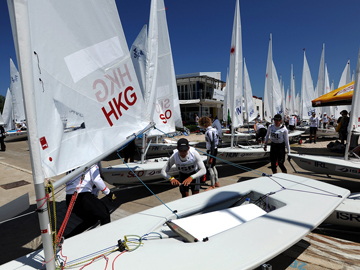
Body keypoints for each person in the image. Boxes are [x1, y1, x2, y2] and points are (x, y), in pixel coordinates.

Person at [65, 164, 116, 238]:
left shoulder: (71, 164)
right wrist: (109, 194)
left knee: (91, 219)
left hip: (69, 199)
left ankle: (68, 239)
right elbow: (97, 180)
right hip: (82, 196)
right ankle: (105, 240)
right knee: (105, 215)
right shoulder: (91, 162)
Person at [199, 116, 220, 191]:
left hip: (211, 151)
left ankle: (212, 185)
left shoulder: (209, 132)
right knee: (213, 166)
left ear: (203, 124)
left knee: (210, 167)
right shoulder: (214, 130)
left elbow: (212, 143)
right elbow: (217, 141)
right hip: (215, 149)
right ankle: (217, 182)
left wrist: (211, 156)